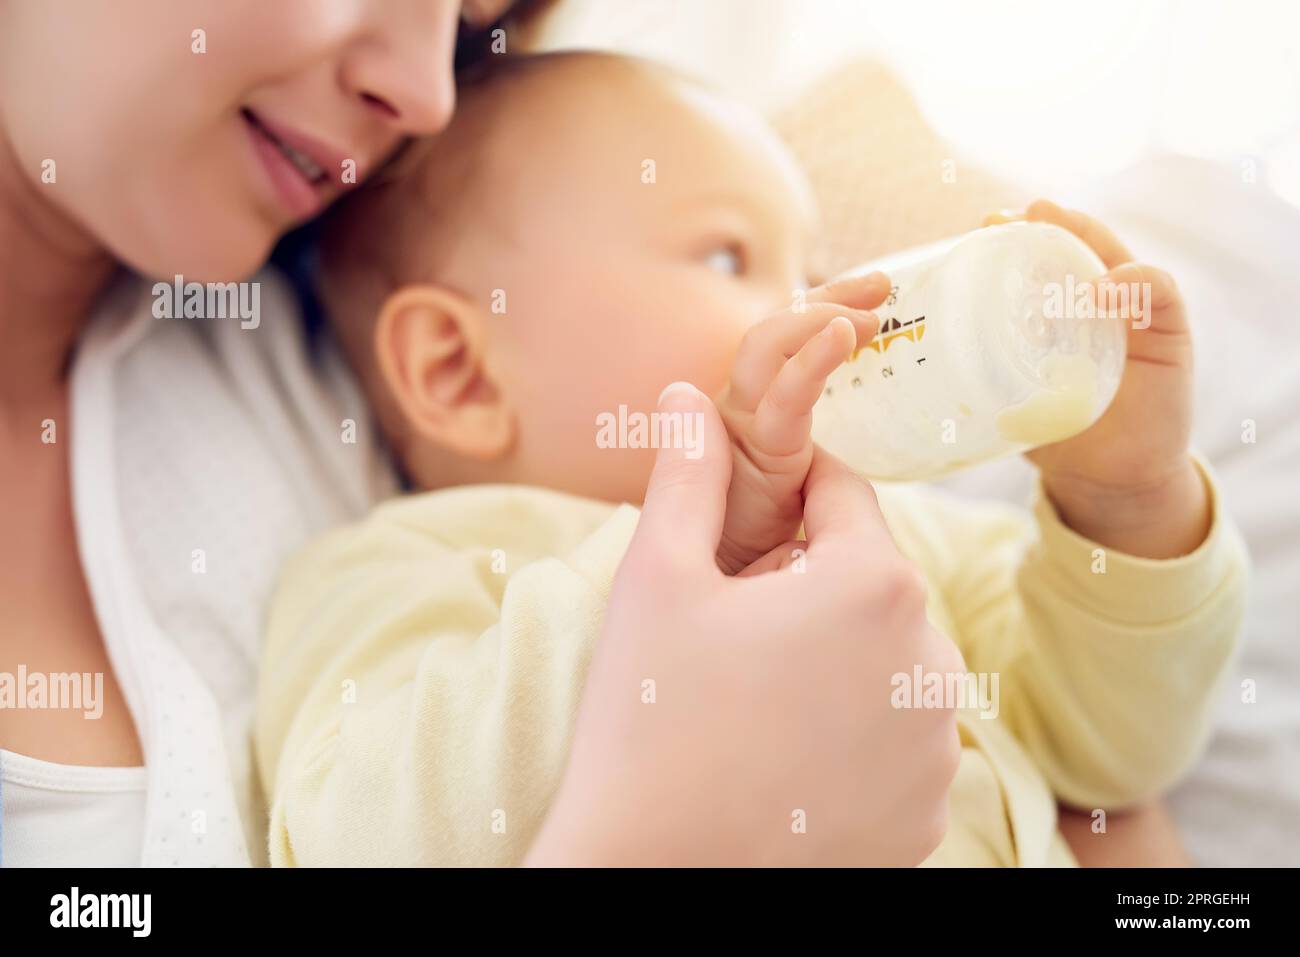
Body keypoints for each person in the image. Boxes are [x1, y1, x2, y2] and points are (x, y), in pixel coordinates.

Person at [0, 0, 956, 867]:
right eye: (724, 256)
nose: (424, 94)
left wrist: (1106, 506)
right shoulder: (394, 558)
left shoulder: (305, 365)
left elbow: (1086, 777)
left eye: (462, 16)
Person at [255, 53, 1246, 866]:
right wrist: (684, 550)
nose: (811, 307)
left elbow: (1113, 759)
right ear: (460, 373)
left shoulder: (910, 537)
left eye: (810, 271)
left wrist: (1123, 500)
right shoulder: (412, 568)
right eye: (729, 258)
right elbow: (363, 836)